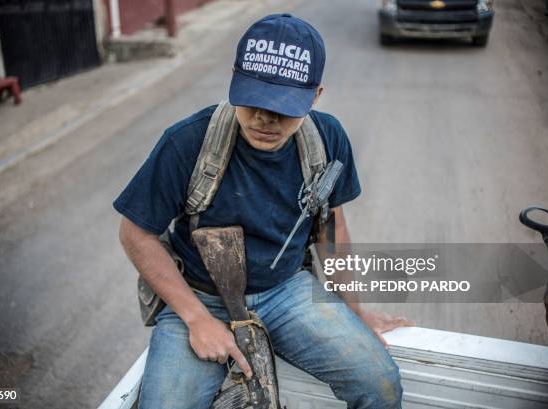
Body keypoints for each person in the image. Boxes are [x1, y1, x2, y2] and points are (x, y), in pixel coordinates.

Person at [113, 13, 412, 409]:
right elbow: (136, 233)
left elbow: (330, 226)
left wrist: (355, 312)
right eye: (254, 100)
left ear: (316, 96)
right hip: (203, 297)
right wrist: (196, 318)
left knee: (380, 383)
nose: (265, 119)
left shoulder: (327, 139)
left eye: (284, 107)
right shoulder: (187, 142)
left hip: (286, 292)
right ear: (235, 80)